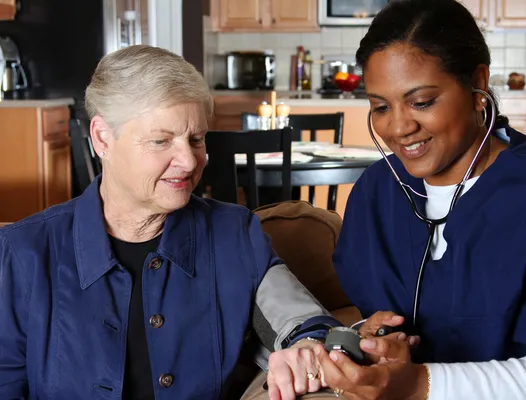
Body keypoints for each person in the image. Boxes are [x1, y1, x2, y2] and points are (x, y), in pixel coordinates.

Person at [0, 45, 342, 399]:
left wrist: (308, 349)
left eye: (196, 140)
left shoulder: (233, 235)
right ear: (102, 138)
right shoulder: (24, 251)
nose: (190, 161)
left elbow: (307, 324)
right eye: (161, 141)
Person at [312, 1, 526, 399]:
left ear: (477, 85)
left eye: (422, 102)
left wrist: (418, 386)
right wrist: (373, 339)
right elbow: (377, 319)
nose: (398, 127)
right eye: (380, 106)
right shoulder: (377, 192)